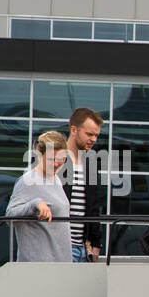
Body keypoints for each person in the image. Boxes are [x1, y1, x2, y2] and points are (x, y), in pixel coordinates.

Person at [7, 131, 71, 262]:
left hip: (60, 264)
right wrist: (35, 203)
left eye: (61, 159)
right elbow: (9, 216)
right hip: (39, 266)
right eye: (51, 159)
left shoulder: (56, 179)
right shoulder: (28, 181)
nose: (56, 164)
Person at [64, 107, 104, 262]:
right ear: (74, 130)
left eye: (96, 135)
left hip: (82, 249)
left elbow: (94, 208)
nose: (93, 139)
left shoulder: (90, 164)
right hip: (60, 248)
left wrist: (96, 243)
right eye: (89, 134)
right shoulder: (55, 160)